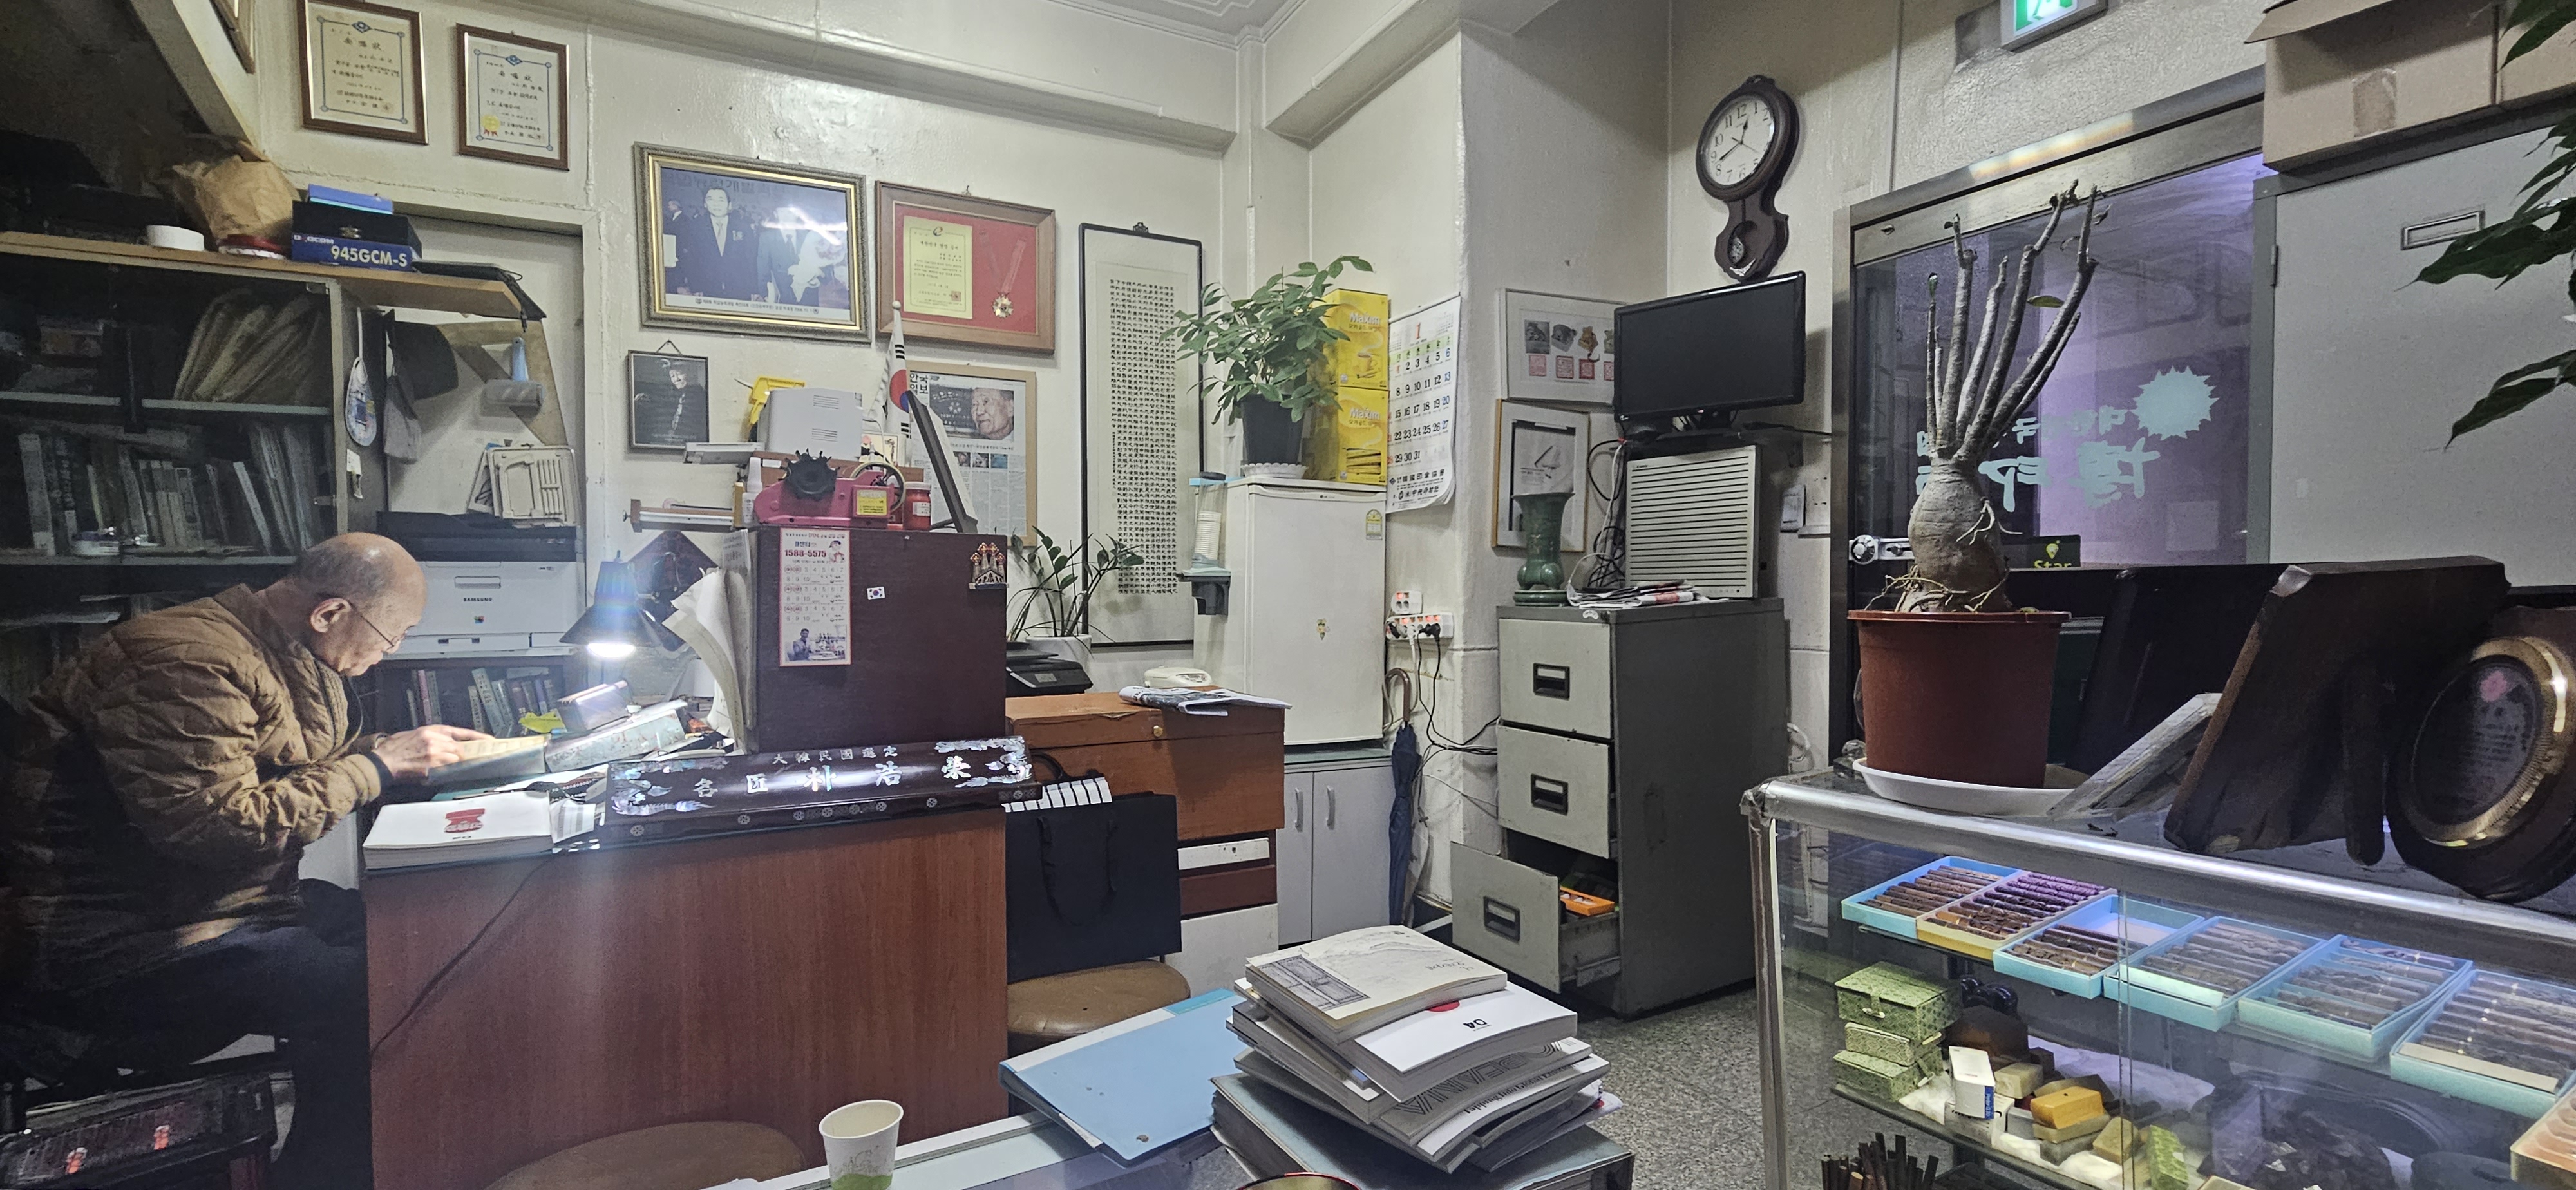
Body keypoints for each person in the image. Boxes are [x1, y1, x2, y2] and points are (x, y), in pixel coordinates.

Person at [5, 534, 488, 1190]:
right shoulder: (184, 661)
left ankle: (406, 1155)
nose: (390, 652)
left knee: (418, 938)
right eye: (391, 635)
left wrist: (412, 752)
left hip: (224, 908)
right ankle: (329, 1178)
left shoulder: (278, 650)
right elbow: (216, 828)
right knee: (378, 992)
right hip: (124, 942)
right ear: (330, 613)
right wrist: (378, 767)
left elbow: (299, 762)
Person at [670, 184, 760, 300]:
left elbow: (751, 259)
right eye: (711, 200)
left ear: (729, 205)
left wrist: (754, 289)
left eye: (721, 200)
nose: (716, 204)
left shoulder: (743, 228)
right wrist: (696, 287)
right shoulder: (695, 227)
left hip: (739, 289)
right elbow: (691, 259)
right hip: (707, 289)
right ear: (705, 204)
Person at [632, 357, 707, 447]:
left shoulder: (698, 396)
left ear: (691, 373)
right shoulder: (682, 395)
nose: (676, 379)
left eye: (680, 374)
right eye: (672, 376)